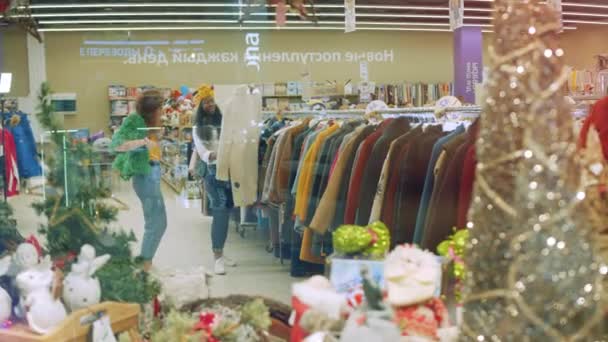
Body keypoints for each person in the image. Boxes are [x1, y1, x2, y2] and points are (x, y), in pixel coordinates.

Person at [111, 89, 167, 272]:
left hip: (152, 173)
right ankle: (144, 263)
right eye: (160, 108)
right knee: (156, 222)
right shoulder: (134, 121)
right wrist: (143, 142)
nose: (162, 111)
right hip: (145, 177)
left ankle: (146, 261)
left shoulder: (150, 124)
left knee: (157, 221)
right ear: (152, 109)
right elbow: (117, 145)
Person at [189, 85, 237, 275]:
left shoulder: (224, 123)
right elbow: (203, 152)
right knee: (220, 212)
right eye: (206, 102)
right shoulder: (197, 128)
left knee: (227, 211)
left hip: (229, 173)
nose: (210, 105)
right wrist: (219, 154)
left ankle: (221, 252)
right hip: (212, 174)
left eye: (212, 101)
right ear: (200, 106)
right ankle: (217, 257)